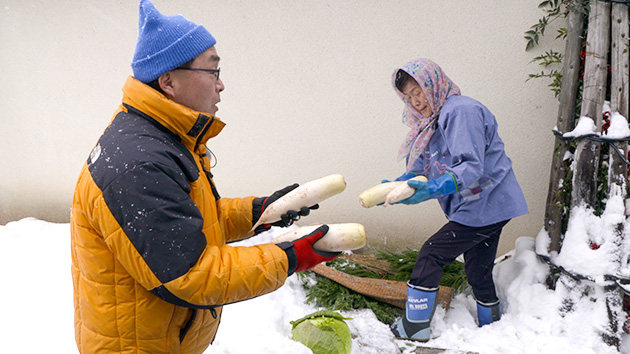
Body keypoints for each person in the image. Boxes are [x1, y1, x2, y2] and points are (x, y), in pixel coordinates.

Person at [69, 1, 339, 353]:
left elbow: (183, 224)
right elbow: (189, 273)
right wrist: (290, 257)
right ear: (168, 81)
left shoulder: (161, 137)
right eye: (212, 71)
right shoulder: (138, 165)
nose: (221, 84)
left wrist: (259, 212)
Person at [386, 58, 528, 341]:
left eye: (420, 92)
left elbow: (471, 166)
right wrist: (397, 186)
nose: (416, 101)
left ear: (433, 85)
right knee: (477, 270)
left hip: (486, 203)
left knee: (432, 253)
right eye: (409, 96)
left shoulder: (460, 111)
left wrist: (435, 187)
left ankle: (415, 326)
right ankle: (493, 325)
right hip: (483, 205)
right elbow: (424, 167)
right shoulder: (431, 123)